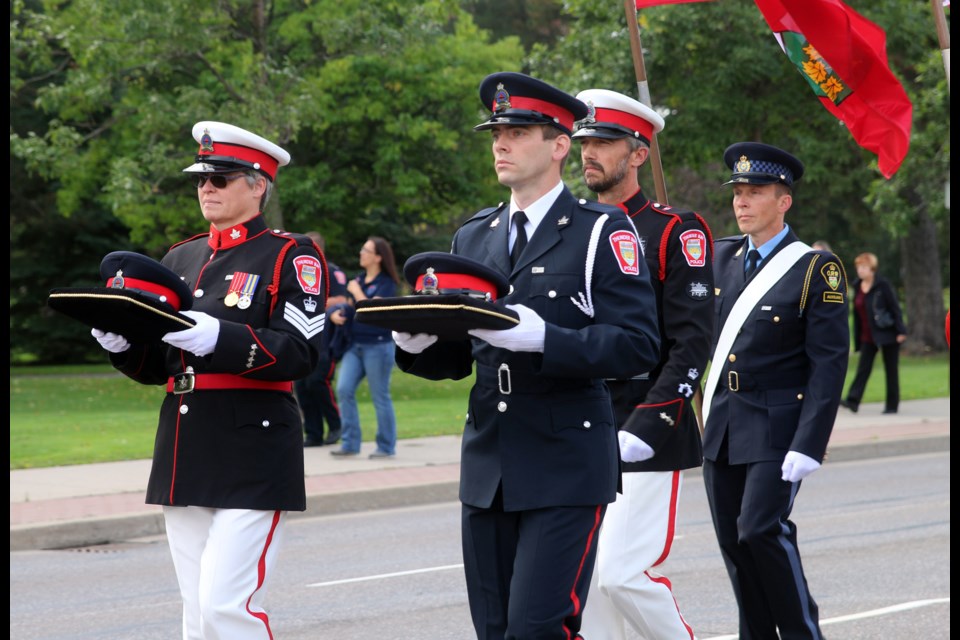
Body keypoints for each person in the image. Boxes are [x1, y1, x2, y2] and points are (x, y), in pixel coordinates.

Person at [393, 72, 661, 639]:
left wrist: (546, 339)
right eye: (496, 131)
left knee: (537, 630)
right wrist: (415, 344)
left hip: (565, 462)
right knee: (493, 631)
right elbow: (461, 352)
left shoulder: (599, 231)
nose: (501, 143)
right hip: (490, 463)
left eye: (518, 131)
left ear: (560, 144)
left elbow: (637, 344)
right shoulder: (474, 237)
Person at [90, 121, 328, 638]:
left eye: (221, 179)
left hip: (254, 447)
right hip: (187, 445)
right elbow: (161, 368)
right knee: (196, 614)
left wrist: (219, 339)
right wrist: (123, 347)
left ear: (258, 184)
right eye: (201, 179)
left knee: (228, 606)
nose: (206, 188)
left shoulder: (290, 254)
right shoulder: (182, 257)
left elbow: (301, 353)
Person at [573, 89, 713, 640]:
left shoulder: (675, 230)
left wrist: (652, 422)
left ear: (637, 153)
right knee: (587, 590)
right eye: (584, 142)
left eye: (604, 142)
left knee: (623, 576)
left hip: (643, 417)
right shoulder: (572, 229)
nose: (589, 154)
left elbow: (692, 341)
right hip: (579, 421)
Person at [701, 142, 849, 640]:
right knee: (735, 547)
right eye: (738, 192)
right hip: (722, 424)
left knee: (760, 529)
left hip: (777, 427)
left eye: (755, 192)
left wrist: (810, 442)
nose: (741, 202)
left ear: (784, 201)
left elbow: (828, 365)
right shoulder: (720, 259)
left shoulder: (814, 269)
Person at [329, 236, 401, 459]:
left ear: (378, 257)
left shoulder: (387, 284)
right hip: (355, 345)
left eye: (366, 250)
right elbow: (353, 310)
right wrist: (334, 314)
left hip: (378, 346)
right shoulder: (358, 280)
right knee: (343, 389)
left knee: (380, 396)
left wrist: (356, 291)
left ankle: (386, 446)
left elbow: (374, 310)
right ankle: (350, 443)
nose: (361, 253)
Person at [295, 231, 349, 446]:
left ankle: (336, 426)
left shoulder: (332, 272)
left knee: (319, 383)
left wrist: (315, 305)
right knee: (303, 387)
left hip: (325, 340)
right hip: (301, 338)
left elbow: (341, 300)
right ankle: (313, 433)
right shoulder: (299, 270)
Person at [839, 252, 908, 414]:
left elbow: (894, 308)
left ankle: (892, 405)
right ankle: (853, 401)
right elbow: (856, 313)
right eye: (858, 267)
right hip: (867, 335)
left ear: (872, 269)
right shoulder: (857, 286)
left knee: (891, 369)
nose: (860, 271)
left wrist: (901, 330)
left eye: (864, 267)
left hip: (887, 333)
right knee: (863, 368)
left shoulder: (882, 285)